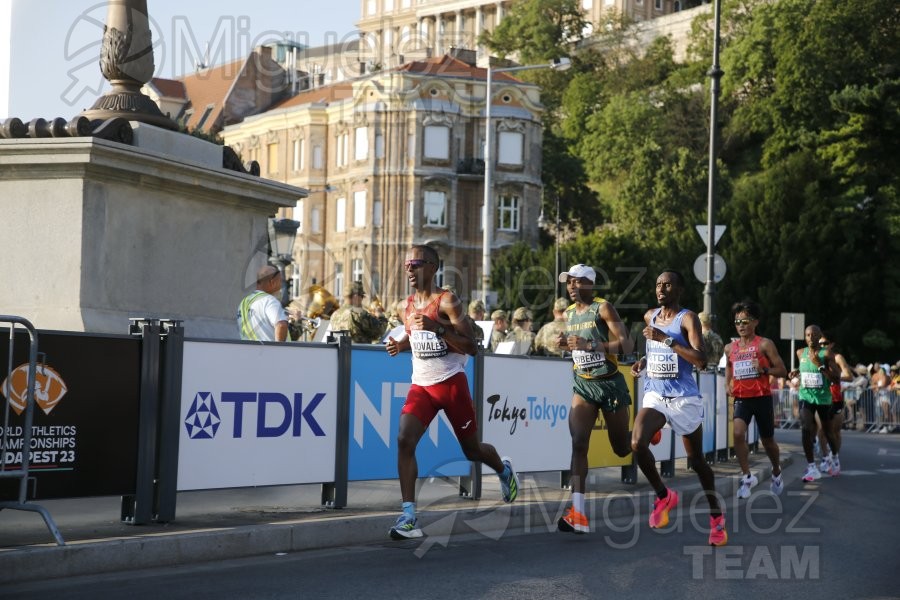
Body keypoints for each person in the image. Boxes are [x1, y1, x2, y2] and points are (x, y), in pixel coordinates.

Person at [384, 245, 520, 540]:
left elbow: (471, 346)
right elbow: (414, 335)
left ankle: (502, 468)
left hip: (451, 383)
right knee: (404, 440)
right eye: (406, 264)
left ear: (432, 268)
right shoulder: (403, 306)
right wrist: (401, 345)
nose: (409, 269)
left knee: (471, 450)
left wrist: (438, 328)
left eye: (415, 264)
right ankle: (408, 515)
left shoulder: (447, 301)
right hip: (421, 386)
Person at [630, 270, 728, 546]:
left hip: (684, 398)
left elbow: (701, 360)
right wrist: (643, 363)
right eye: (658, 284)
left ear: (679, 289)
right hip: (656, 395)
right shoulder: (650, 316)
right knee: (637, 443)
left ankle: (716, 518)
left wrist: (667, 340)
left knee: (697, 462)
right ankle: (663, 495)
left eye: (668, 284)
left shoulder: (688, 318)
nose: (661, 288)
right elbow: (653, 351)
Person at [553, 264, 633, 534]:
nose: (572, 287)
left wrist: (590, 346)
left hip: (610, 384)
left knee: (622, 448)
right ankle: (578, 511)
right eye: (568, 283)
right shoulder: (569, 313)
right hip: (584, 386)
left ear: (590, 284)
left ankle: (644, 437)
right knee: (578, 443)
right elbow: (575, 345)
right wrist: (565, 344)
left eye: (577, 282)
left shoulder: (604, 307)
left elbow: (627, 344)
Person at [724, 300, 788, 498]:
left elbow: (782, 370)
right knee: (737, 433)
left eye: (745, 321)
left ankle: (776, 470)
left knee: (767, 441)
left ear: (755, 322)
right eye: (737, 322)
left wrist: (764, 369)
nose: (741, 325)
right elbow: (728, 365)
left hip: (762, 398)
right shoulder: (730, 348)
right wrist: (728, 384)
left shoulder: (764, 344)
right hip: (742, 398)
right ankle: (747, 476)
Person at [787, 325, 841, 481]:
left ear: (819, 337)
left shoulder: (827, 353)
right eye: (807, 335)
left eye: (813, 335)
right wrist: (796, 371)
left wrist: (820, 365)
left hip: (823, 398)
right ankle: (811, 467)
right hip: (806, 396)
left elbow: (836, 378)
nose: (810, 338)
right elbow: (805, 368)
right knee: (805, 427)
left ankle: (835, 457)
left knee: (828, 432)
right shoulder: (800, 353)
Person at [814, 336, 853, 471]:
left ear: (832, 344)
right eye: (820, 343)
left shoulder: (837, 358)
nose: (823, 345)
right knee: (821, 430)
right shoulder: (815, 358)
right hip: (821, 399)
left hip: (835, 399)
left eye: (825, 343)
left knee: (835, 432)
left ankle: (835, 456)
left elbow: (849, 376)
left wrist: (833, 376)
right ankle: (826, 457)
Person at [237, 265, 289, 342]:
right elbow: (281, 325)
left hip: (248, 352)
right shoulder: (270, 301)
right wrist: (279, 350)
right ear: (272, 282)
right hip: (269, 353)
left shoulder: (244, 302)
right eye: (279, 281)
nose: (281, 286)